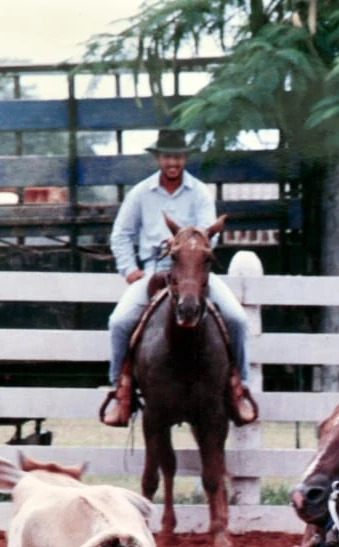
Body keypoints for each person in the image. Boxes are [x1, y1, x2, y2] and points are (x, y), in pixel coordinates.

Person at [101, 128, 255, 427]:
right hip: (154, 270)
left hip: (194, 273)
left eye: (178, 156)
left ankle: (239, 386)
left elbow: (210, 235)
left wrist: (190, 253)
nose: (173, 162)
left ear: (185, 159)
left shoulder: (199, 192)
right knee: (119, 322)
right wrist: (130, 268)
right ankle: (120, 390)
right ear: (158, 158)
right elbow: (121, 235)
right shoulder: (141, 193)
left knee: (237, 318)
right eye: (167, 156)